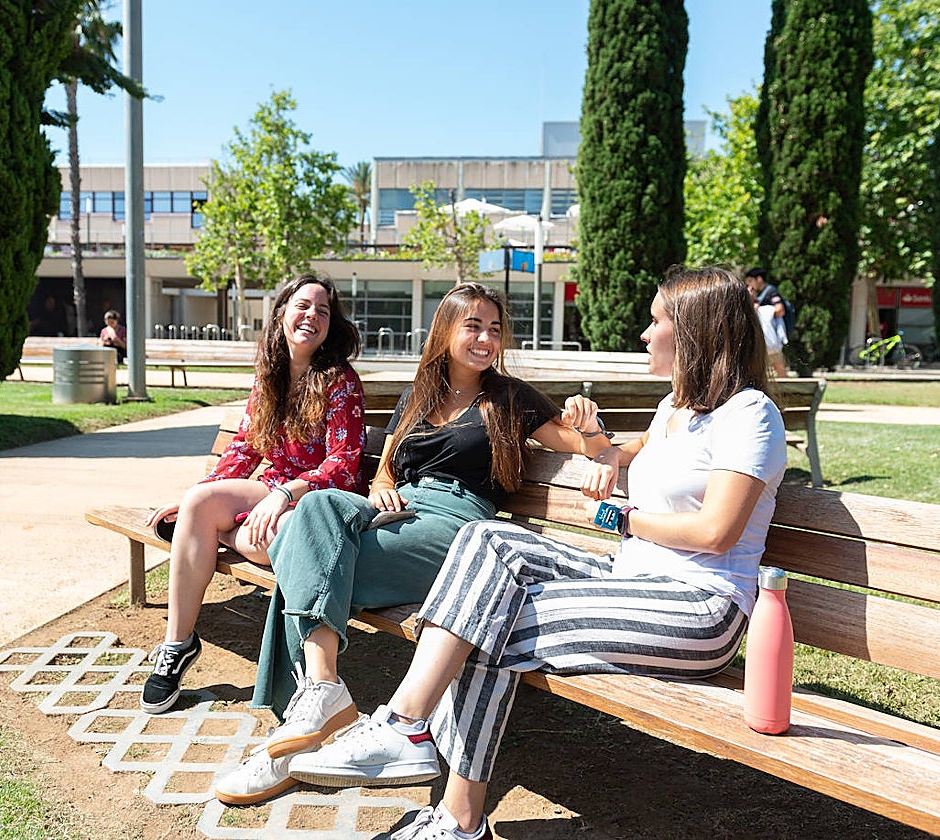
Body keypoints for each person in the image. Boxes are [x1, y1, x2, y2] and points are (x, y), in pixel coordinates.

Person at [287, 266, 788, 840]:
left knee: (487, 624)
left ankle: (441, 791)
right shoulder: (674, 408)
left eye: (656, 322)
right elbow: (619, 453)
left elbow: (716, 532)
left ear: (697, 332)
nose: (645, 335)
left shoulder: (750, 414)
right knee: (486, 544)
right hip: (630, 575)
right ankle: (413, 740)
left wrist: (622, 516)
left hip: (699, 607)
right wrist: (598, 441)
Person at [213, 282, 607, 806]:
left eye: (494, 328)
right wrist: (383, 489)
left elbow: (584, 445)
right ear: (445, 331)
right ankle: (321, 689)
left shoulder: (512, 398)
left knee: (303, 562)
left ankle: (290, 740)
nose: (485, 338)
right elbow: (386, 468)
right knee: (312, 510)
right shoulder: (420, 395)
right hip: (399, 511)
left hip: (459, 528)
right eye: (473, 326)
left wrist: (593, 429)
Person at [141, 274, 367, 718]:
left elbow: (344, 463)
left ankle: (214, 534)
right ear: (281, 312)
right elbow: (245, 446)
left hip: (316, 503)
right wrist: (196, 497)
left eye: (323, 312)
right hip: (273, 491)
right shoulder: (271, 375)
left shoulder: (340, 381)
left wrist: (284, 493)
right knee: (200, 507)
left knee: (271, 538)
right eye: (303, 306)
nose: (312, 317)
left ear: (330, 326)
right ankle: (178, 643)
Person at [745, 267, 787, 377]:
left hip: (771, 340)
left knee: (780, 370)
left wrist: (763, 309)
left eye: (750, 281)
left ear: (759, 279)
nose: (750, 285)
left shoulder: (771, 291)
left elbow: (780, 310)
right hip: (764, 340)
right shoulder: (760, 293)